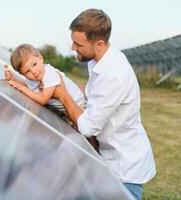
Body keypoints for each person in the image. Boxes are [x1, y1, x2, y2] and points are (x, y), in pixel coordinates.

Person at [52, 8, 156, 200]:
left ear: (99, 44)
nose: (72, 47)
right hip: (110, 157)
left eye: (78, 43)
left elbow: (88, 127)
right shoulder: (102, 60)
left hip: (124, 167)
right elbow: (93, 92)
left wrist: (63, 94)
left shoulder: (114, 75)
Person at [4, 44, 98, 150]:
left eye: (34, 64)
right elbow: (30, 89)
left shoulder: (49, 74)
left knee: (87, 134)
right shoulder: (32, 79)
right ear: (22, 74)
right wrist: (13, 80)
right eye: (27, 71)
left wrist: (20, 87)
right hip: (65, 111)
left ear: (40, 58)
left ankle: (96, 150)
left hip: (79, 107)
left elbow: (43, 99)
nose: (33, 72)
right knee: (76, 137)